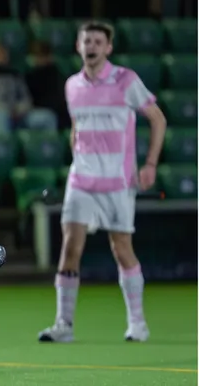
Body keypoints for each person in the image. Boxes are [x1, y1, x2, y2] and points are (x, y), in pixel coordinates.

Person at [38, 22, 165, 344]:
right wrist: (76, 151)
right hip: (81, 179)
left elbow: (158, 119)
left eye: (98, 40)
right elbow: (77, 126)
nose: (91, 45)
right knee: (70, 249)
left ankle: (138, 323)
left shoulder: (126, 80)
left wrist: (149, 164)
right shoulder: (72, 85)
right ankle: (63, 325)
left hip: (118, 181)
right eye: (86, 40)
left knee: (121, 249)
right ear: (79, 46)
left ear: (108, 47)